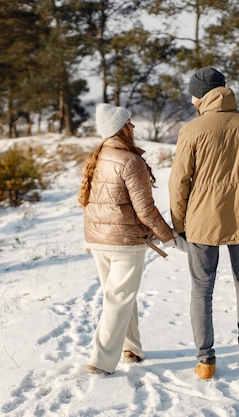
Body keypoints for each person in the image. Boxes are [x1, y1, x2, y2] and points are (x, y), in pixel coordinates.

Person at [168, 67, 239, 380]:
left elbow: (179, 183)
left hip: (202, 223)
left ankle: (206, 361)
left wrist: (178, 225)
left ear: (201, 94)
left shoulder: (192, 129)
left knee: (201, 290)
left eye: (192, 93)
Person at [78, 103, 183, 376]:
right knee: (119, 298)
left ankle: (131, 347)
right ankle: (100, 361)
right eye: (129, 122)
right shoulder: (130, 161)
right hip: (124, 242)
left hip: (100, 240)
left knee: (121, 296)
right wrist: (169, 237)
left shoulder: (97, 157)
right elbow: (145, 209)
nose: (133, 126)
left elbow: (88, 201)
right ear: (120, 128)